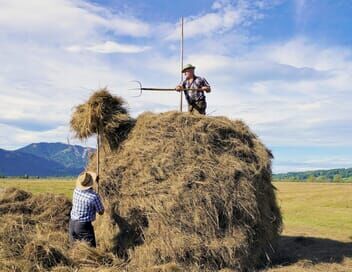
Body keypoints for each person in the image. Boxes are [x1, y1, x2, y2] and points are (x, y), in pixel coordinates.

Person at [69, 171, 104, 247]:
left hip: (72, 223)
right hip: (83, 226)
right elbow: (101, 212)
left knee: (74, 250)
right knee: (90, 250)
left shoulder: (76, 190)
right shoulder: (94, 196)